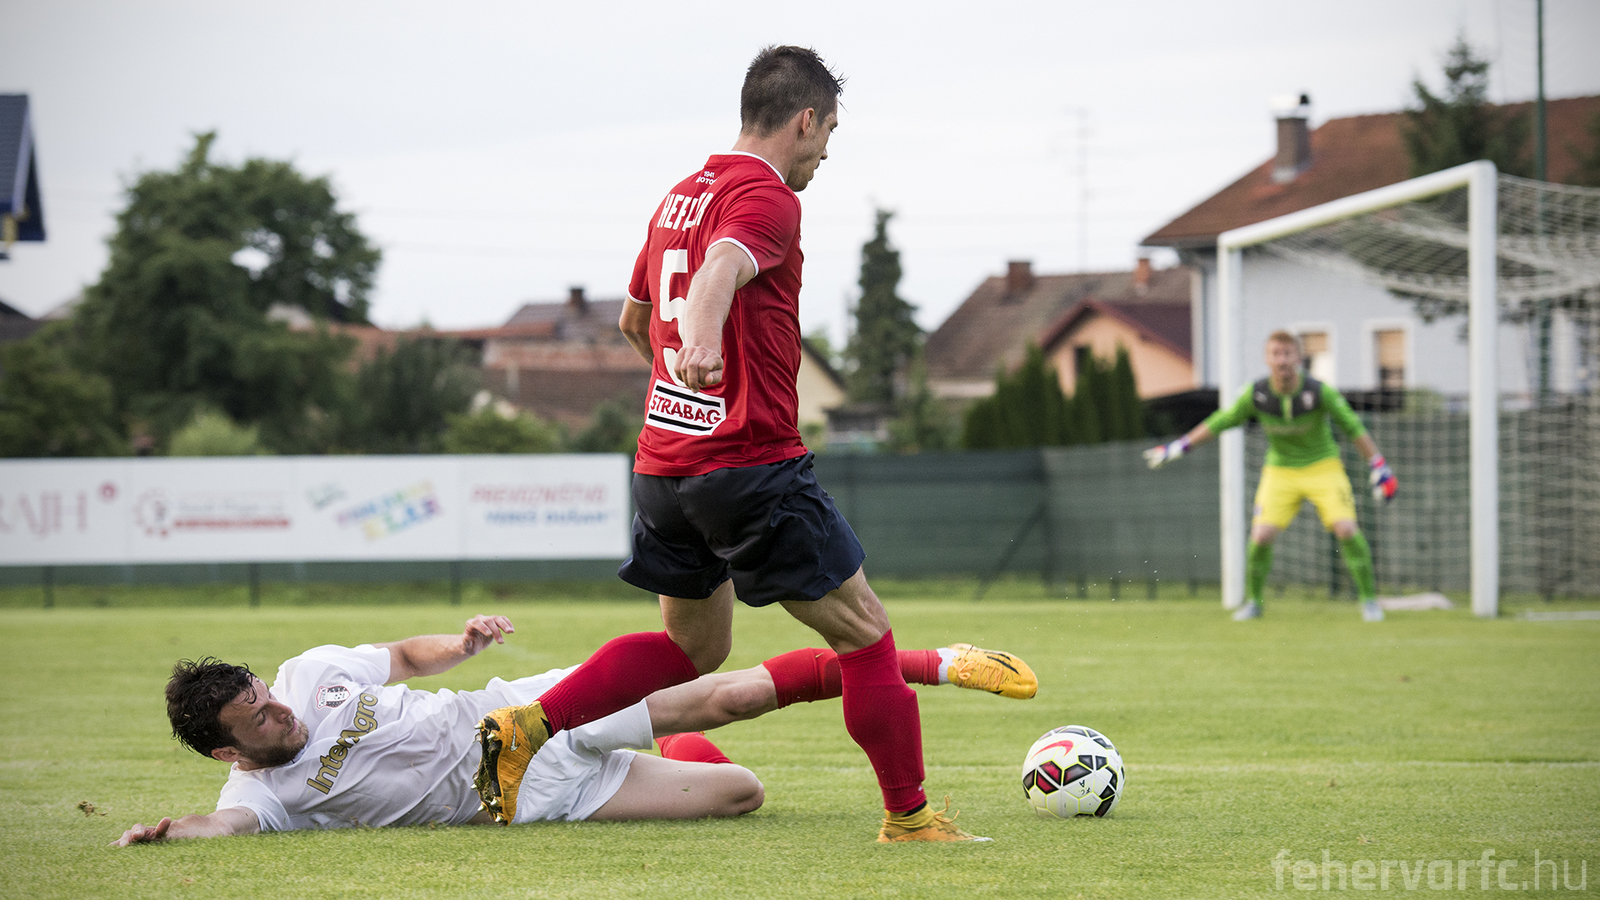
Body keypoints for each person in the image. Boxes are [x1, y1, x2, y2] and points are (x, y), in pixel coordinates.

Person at [469, 46, 991, 844]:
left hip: (663, 470)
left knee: (693, 647)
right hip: (750, 464)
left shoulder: (680, 196)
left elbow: (635, 320)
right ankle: (911, 818)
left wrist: (683, 386)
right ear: (805, 119)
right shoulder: (767, 194)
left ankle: (527, 727)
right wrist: (706, 341)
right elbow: (719, 271)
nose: (826, 153)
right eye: (830, 133)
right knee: (865, 633)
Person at [113, 614, 1036, 845]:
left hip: (525, 718)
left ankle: (931, 661)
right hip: (539, 801)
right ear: (229, 751)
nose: (279, 706)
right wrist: (167, 833)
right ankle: (670, 753)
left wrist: (458, 645)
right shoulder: (265, 796)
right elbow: (222, 826)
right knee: (740, 793)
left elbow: (398, 655)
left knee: (726, 695)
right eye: (259, 718)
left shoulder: (309, 673)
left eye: (265, 692)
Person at [1143, 330, 1398, 622]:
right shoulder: (1257, 394)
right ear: (1267, 359)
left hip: (1323, 467)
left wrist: (1379, 464)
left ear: (1299, 358)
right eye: (1276, 354)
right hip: (1280, 470)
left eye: (1287, 353)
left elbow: (1353, 427)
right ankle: (1254, 603)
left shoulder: (1319, 391)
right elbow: (1221, 420)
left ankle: (1369, 601)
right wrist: (1180, 446)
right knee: (1261, 535)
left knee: (1346, 529)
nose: (1282, 360)